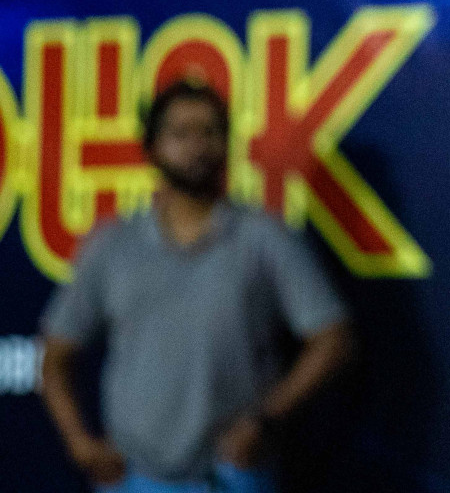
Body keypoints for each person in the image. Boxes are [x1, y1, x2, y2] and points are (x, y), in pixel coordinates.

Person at [38, 80, 353, 493]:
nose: (197, 146)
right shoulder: (114, 244)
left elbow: (333, 338)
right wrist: (80, 443)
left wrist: (265, 421)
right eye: (180, 133)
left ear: (228, 143)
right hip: (133, 478)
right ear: (151, 147)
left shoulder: (263, 237)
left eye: (210, 132)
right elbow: (55, 354)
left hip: (229, 477)